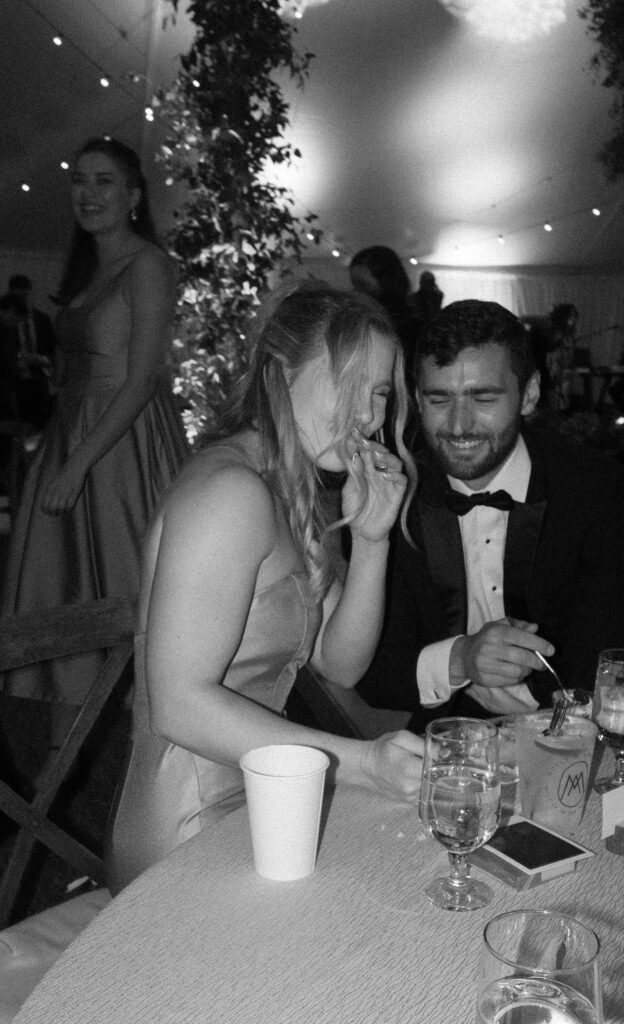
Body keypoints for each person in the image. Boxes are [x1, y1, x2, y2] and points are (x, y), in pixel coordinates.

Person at [104, 279, 424, 893]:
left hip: (267, 801)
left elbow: (340, 661)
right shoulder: (231, 493)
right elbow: (178, 704)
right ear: (280, 371)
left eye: (380, 394)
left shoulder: (289, 487)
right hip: (187, 830)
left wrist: (373, 539)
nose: (367, 417)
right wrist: (355, 764)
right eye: (351, 385)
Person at [357, 299, 624, 728]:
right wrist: (461, 659)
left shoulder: (596, 488)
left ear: (529, 394)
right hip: (455, 727)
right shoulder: (390, 496)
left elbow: (601, 645)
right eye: (439, 399)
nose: (459, 426)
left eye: (483, 397)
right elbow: (373, 674)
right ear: (417, 399)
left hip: (593, 714)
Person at [1, 137, 188, 761]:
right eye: (79, 181)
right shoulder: (85, 267)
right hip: (73, 437)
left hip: (122, 446)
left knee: (135, 595)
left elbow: (140, 382)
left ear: (134, 196)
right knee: (70, 595)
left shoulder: (148, 265)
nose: (89, 193)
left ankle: (160, 755)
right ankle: (63, 760)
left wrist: (77, 466)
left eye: (105, 181)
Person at [349, 246, 422, 377]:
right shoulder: (360, 320)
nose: (356, 292)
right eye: (354, 285)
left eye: (363, 285)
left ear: (387, 284)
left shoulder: (410, 329)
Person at [7, 274, 57, 429]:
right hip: (12, 385)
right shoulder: (5, 321)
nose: (22, 300)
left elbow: (53, 350)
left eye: (25, 295)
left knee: (39, 426)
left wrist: (42, 360)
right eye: (17, 296)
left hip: (38, 384)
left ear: (31, 294)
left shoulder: (42, 320)